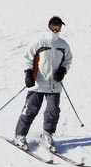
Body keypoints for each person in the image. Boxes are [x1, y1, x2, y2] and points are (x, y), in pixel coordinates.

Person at [13, 16, 73, 151]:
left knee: (53, 111)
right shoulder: (39, 41)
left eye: (58, 27)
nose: (56, 30)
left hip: (54, 85)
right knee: (30, 110)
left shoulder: (63, 44)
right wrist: (28, 74)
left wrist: (63, 70)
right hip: (38, 83)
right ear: (49, 26)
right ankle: (20, 135)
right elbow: (28, 58)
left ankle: (47, 135)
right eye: (53, 27)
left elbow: (68, 60)